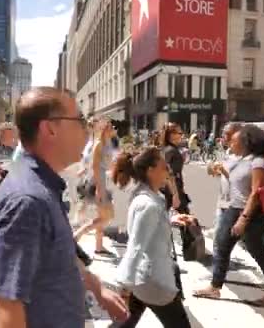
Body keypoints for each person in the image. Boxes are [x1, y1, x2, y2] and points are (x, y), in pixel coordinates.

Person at [0, 87, 128, 328]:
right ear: (50, 128)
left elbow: (62, 252)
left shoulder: (43, 188)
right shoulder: (26, 202)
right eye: (80, 120)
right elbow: (5, 308)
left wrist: (96, 287)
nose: (86, 128)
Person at [194, 124, 264, 306]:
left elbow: (256, 192)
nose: (229, 143)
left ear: (246, 142)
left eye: (234, 141)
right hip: (232, 209)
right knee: (222, 246)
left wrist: (243, 219)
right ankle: (215, 287)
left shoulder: (257, 162)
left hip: (249, 213)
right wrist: (219, 170)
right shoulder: (240, 159)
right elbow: (236, 182)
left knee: (257, 251)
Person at [112, 149, 192, 328]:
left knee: (124, 323)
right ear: (150, 170)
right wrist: (124, 288)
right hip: (153, 280)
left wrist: (170, 219)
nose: (168, 171)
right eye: (164, 167)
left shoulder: (150, 196)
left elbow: (148, 227)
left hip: (143, 278)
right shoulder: (148, 204)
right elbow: (136, 247)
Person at [73, 119, 117, 255]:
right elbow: (95, 166)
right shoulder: (99, 144)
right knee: (107, 216)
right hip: (99, 182)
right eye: (111, 126)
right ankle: (76, 236)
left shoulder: (107, 143)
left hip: (103, 181)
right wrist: (99, 188)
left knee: (102, 216)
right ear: (105, 129)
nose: (114, 128)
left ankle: (99, 246)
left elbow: (107, 164)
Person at [160, 123, 187, 213]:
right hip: (171, 189)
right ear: (172, 135)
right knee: (186, 221)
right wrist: (175, 194)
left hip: (171, 189)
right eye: (179, 133)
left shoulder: (168, 149)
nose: (181, 136)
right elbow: (169, 173)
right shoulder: (171, 150)